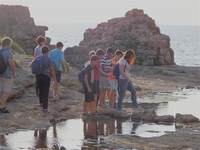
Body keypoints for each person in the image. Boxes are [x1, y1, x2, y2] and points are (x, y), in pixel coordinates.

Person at [30, 46, 57, 112]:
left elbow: (31, 65)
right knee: (45, 91)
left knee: (40, 90)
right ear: (47, 52)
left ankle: (41, 103)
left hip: (38, 76)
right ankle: (45, 108)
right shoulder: (49, 59)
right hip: (45, 76)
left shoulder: (38, 58)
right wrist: (55, 78)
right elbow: (51, 69)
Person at [0, 37, 15, 113]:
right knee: (6, 91)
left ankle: (1, 105)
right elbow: (11, 64)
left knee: (1, 90)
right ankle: (2, 106)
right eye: (10, 44)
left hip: (0, 74)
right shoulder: (8, 52)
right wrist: (13, 72)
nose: (11, 45)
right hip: (7, 75)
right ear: (7, 44)